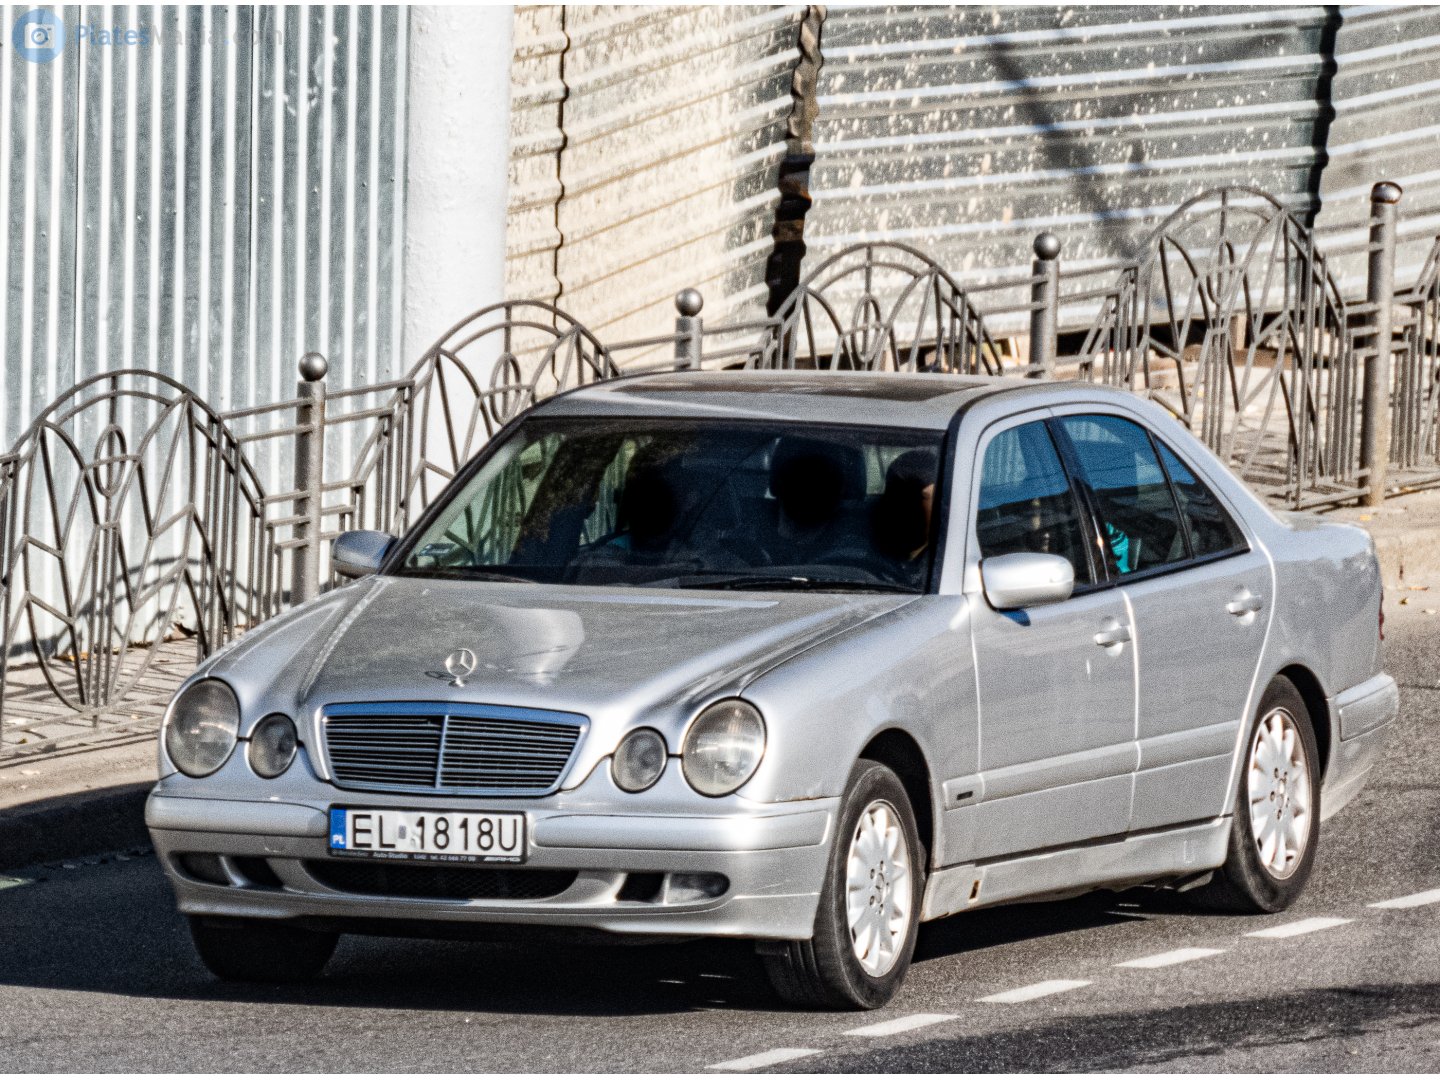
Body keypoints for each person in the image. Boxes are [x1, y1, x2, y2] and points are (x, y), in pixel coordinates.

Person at [872, 448, 939, 569]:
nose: (909, 508)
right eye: (899, 496)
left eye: (922, 497)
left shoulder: (951, 559)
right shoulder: (866, 550)